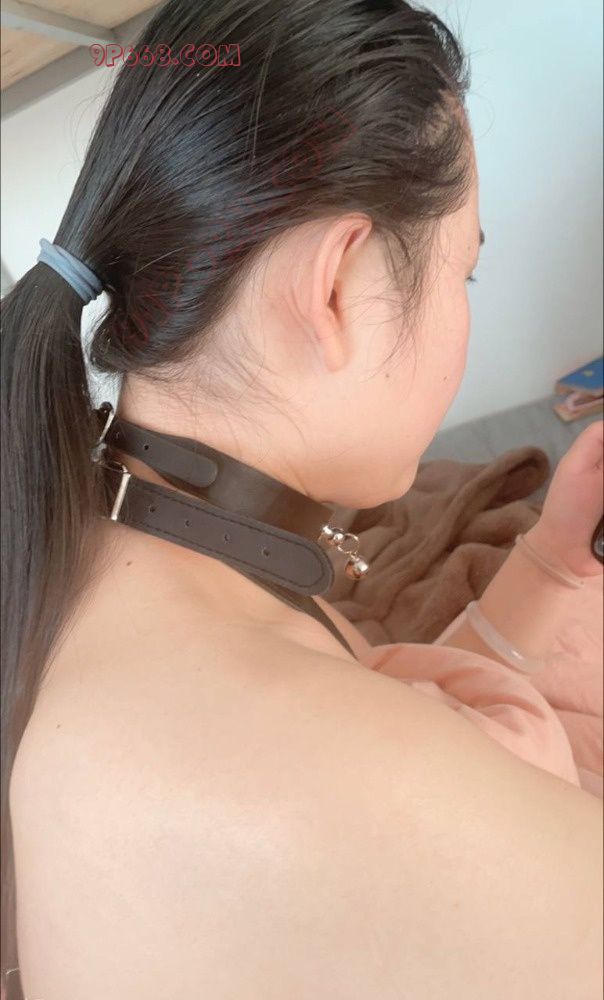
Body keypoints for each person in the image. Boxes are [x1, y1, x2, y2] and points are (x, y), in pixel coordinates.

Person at [1, 1, 602, 997]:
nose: (463, 307)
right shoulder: (312, 771)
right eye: (465, 271)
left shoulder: (116, 527)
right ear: (333, 287)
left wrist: (547, 563)